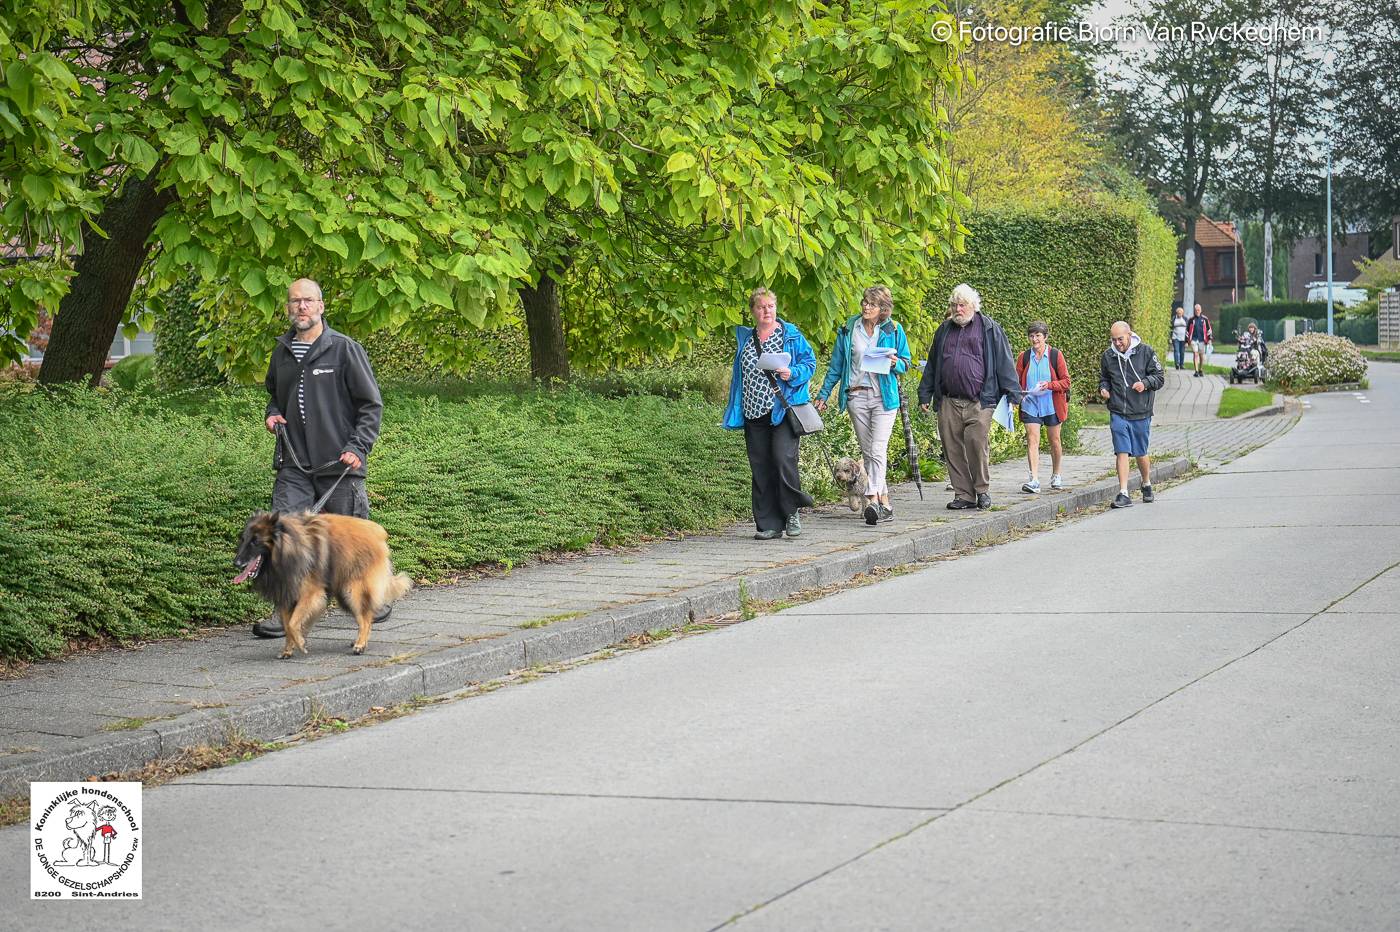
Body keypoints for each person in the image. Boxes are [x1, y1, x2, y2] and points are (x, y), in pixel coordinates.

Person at [255, 277, 384, 638]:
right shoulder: (282, 351)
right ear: (288, 308)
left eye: (308, 300)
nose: (301, 307)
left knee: (351, 540)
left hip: (340, 464)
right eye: (295, 301)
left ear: (321, 306)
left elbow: (370, 405)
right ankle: (287, 612)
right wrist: (272, 413)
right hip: (294, 463)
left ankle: (372, 597)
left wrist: (357, 447)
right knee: (284, 537)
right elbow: (274, 394)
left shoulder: (343, 349)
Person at [722, 287, 817, 540]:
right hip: (753, 411)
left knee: (783, 460)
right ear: (753, 310)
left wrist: (792, 373)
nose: (767, 311)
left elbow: (810, 364)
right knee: (761, 467)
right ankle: (768, 524)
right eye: (761, 307)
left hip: (782, 410)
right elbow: (739, 376)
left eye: (771, 306)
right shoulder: (746, 338)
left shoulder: (791, 335)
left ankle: (791, 513)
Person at [917, 284, 1022, 510]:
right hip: (948, 399)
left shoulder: (989, 328)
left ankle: (982, 490)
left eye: (962, 305)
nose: (958, 309)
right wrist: (924, 393)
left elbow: (1004, 360)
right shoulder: (944, 329)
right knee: (951, 446)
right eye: (954, 305)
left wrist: (1013, 393)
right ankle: (963, 494)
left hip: (980, 400)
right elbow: (933, 364)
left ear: (973, 306)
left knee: (976, 441)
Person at [813, 286, 912, 525]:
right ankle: (885, 502)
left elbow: (906, 364)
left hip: (883, 397)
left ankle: (872, 498)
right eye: (865, 302)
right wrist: (823, 394)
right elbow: (836, 366)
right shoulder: (849, 328)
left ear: (883, 309)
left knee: (877, 449)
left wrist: (895, 363)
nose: (866, 307)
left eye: (872, 304)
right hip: (856, 397)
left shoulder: (893, 329)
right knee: (869, 453)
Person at [1099, 320, 1164, 509]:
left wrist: (1145, 383)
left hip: (1141, 411)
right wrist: (1104, 389)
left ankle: (1146, 483)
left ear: (1129, 335)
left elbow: (1159, 378)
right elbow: (1104, 378)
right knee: (1122, 451)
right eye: (1114, 340)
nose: (1117, 343)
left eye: (1120, 339)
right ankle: (1124, 492)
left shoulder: (1146, 352)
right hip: (1118, 410)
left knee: (1140, 453)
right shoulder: (1108, 356)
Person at [1015, 321, 1071, 494]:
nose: (1034, 339)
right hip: (1030, 404)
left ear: (1045, 337)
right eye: (1031, 336)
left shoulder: (1055, 355)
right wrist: (1015, 395)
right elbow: (1016, 381)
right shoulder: (1024, 357)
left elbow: (1066, 382)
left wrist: (1049, 385)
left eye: (1038, 335)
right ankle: (1034, 480)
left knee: (1054, 440)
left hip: (1051, 405)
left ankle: (1056, 474)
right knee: (1032, 439)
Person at [1184, 303, 1212, 377]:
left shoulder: (1205, 319)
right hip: (1193, 339)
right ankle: (1196, 371)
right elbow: (1187, 331)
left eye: (1198, 310)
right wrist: (1186, 341)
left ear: (1201, 310)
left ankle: (1200, 369)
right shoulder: (1191, 320)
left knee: (1201, 356)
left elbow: (1209, 330)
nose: (1197, 311)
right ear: (1194, 310)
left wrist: (1209, 339)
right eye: (1196, 310)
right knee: (1195, 354)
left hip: (1202, 340)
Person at [1170, 305, 1188, 370]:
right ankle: (1177, 364)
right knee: (1176, 351)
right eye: (1178, 313)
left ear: (1182, 313)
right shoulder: (1173, 319)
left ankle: (1182, 364)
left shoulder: (1185, 319)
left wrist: (1187, 341)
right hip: (1175, 338)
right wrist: (1170, 338)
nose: (1179, 314)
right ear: (1176, 313)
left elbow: (1187, 330)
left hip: (1183, 338)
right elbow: (1170, 329)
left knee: (1182, 352)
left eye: (1180, 313)